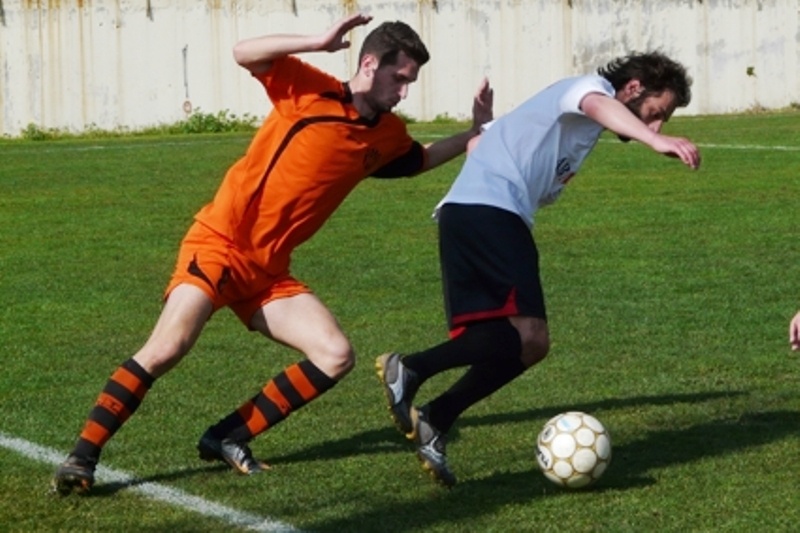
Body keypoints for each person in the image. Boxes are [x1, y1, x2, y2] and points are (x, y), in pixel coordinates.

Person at [52, 13, 493, 495]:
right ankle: (82, 456)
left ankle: (227, 436)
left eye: (410, 81)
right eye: (399, 77)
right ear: (368, 64)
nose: (404, 91)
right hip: (219, 244)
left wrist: (473, 134)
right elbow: (245, 52)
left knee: (334, 354)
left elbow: (419, 159)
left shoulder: (386, 134)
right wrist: (317, 42)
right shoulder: (308, 90)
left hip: (267, 271)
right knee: (168, 347)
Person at [376, 51, 701, 487]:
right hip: (489, 211)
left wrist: (485, 129)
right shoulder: (589, 92)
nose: (656, 125)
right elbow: (596, 103)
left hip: (478, 213)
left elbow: (490, 142)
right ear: (634, 88)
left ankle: (437, 416)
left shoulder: (578, 132)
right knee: (526, 333)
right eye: (655, 113)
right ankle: (410, 367)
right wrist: (653, 140)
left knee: (529, 343)